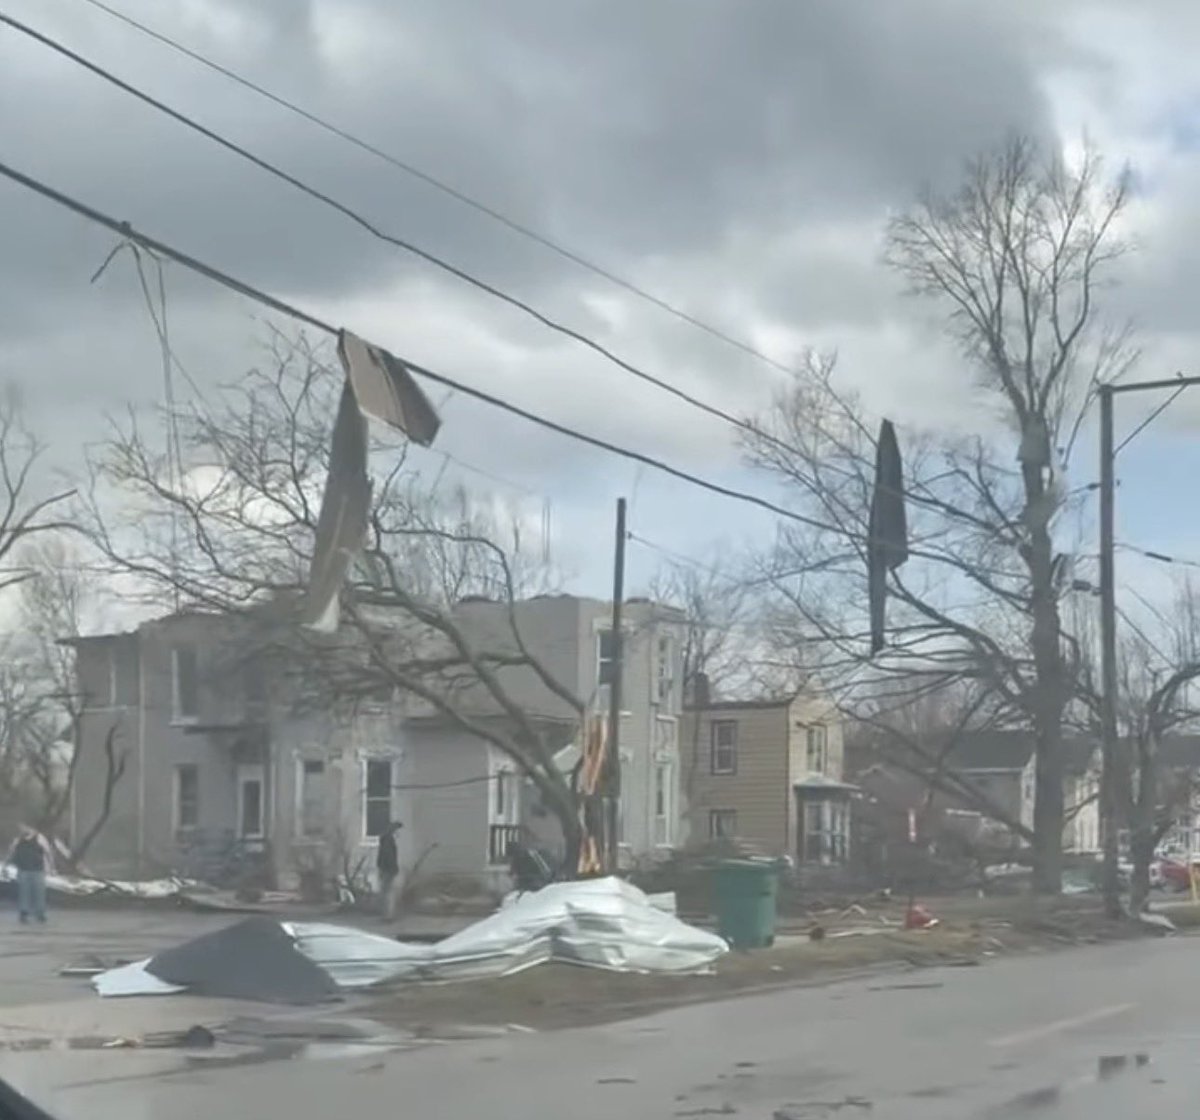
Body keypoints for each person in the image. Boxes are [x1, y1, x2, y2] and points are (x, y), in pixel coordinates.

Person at [6, 825, 52, 924]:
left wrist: (50, 867)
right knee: (24, 893)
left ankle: (40, 913)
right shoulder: (18, 840)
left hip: (38, 870)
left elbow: (47, 852)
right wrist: (6, 864)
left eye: (26, 827)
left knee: (39, 893)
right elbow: (11, 852)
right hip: (23, 870)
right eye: (22, 827)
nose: (24, 829)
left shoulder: (40, 838)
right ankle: (24, 913)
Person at [375, 821, 402, 921]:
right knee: (388, 892)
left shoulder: (385, 839)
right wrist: (394, 868)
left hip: (384, 868)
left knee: (385, 891)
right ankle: (388, 915)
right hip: (388, 869)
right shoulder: (388, 840)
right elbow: (389, 856)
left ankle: (386, 914)